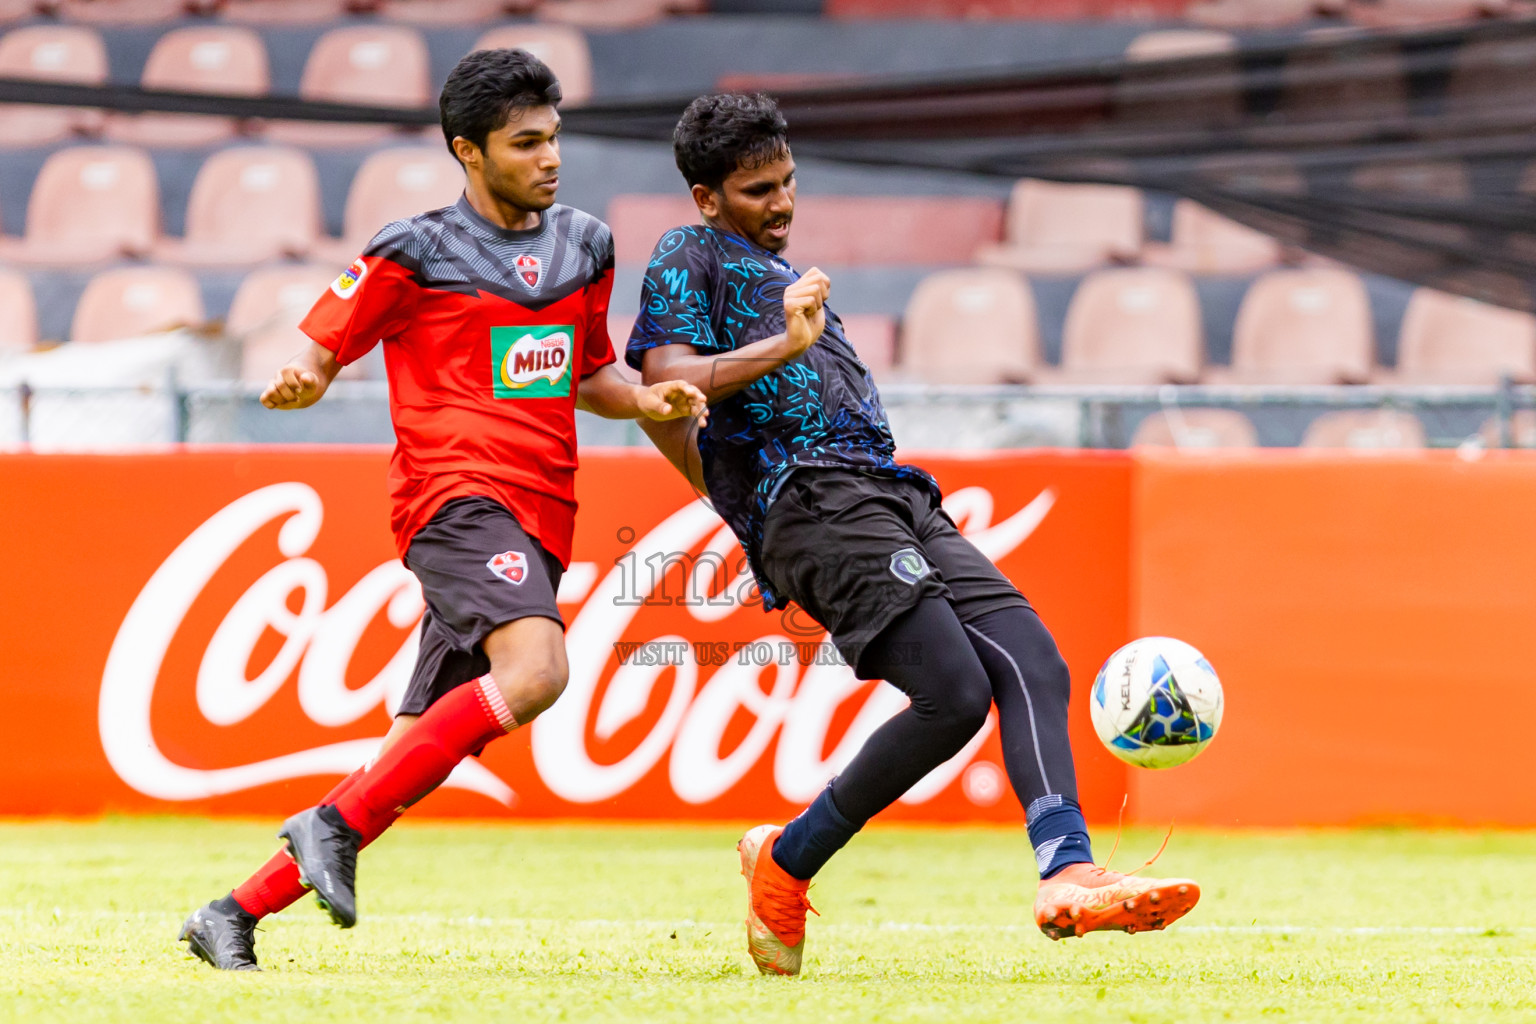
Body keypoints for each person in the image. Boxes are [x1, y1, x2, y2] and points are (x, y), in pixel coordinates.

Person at [627, 93, 1200, 977]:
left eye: (786, 183)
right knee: (955, 694)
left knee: (1032, 661)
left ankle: (1064, 869)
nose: (779, 204)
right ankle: (788, 863)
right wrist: (774, 380)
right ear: (706, 198)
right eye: (754, 191)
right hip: (810, 502)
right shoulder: (687, 254)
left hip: (890, 492)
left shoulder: (789, 276)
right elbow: (666, 386)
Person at [178, 48, 706, 972]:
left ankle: (232, 913)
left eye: (554, 138)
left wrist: (647, 400)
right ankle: (326, 828)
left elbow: (589, 371)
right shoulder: (410, 251)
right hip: (454, 498)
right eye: (526, 142)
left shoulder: (584, 244)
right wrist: (303, 381)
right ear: (468, 150)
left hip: (543, 514)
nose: (550, 158)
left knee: (399, 766)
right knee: (537, 672)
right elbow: (318, 348)